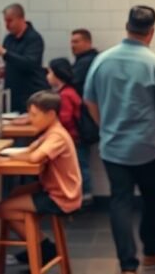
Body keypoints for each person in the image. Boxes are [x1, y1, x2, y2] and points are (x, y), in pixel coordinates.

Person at [83, 6, 155, 274]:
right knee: (153, 200)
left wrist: (105, 125)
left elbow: (89, 99)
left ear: (127, 27)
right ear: (152, 32)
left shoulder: (102, 60)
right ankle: (152, 252)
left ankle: (128, 266)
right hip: (148, 147)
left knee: (120, 203)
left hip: (113, 147)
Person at [0, 91, 81, 266]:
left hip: (61, 196)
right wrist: (2, 159)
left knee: (1, 208)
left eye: (34, 115)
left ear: (51, 114)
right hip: (51, 188)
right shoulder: (50, 132)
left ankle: (42, 247)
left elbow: (34, 157)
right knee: (16, 193)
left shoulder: (57, 136)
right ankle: (38, 245)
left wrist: (6, 159)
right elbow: (30, 152)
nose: (31, 119)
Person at [0, 4, 46, 112]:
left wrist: (4, 52)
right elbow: (12, 62)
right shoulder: (9, 39)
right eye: (5, 21)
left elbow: (29, 64)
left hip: (29, 96)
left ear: (21, 18)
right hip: (11, 96)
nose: (7, 25)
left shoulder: (34, 39)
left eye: (10, 21)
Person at [70, 28, 99, 204]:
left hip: (83, 120)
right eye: (72, 42)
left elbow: (73, 83)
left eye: (76, 41)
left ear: (88, 42)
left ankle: (85, 196)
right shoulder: (90, 60)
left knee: (81, 160)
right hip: (87, 119)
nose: (72, 45)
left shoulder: (84, 63)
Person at [45, 58, 81, 140]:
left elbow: (64, 119)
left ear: (57, 74)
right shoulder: (69, 91)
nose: (47, 76)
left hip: (69, 137)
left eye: (49, 72)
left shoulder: (65, 95)